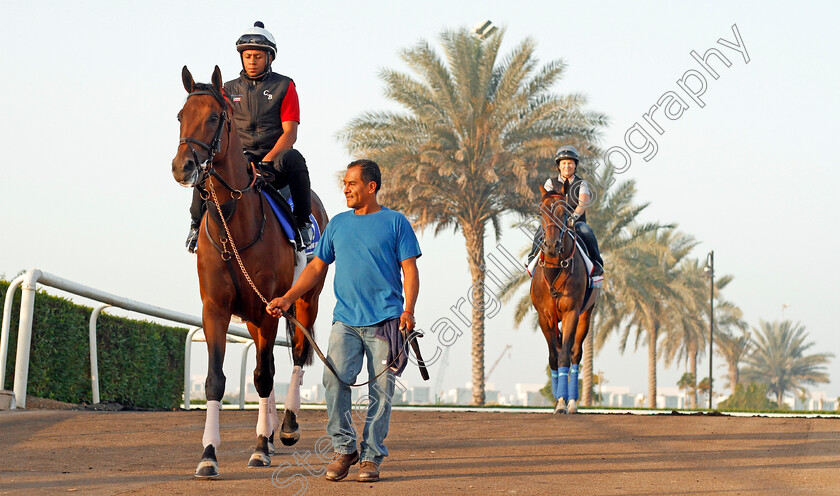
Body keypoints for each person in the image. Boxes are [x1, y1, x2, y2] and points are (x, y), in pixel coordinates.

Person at [266, 159, 421, 483]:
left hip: (386, 321)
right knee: (334, 382)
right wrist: (289, 297)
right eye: (345, 183)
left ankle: (372, 457)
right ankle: (344, 448)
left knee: (381, 392)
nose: (345, 188)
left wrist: (408, 310)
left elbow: (410, 270)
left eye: (352, 183)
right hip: (346, 321)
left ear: (371, 186)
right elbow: (316, 267)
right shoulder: (337, 224)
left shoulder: (395, 222)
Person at [186, 21, 313, 252]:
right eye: (247, 56)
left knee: (296, 159)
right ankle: (195, 227)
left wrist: (267, 161)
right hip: (241, 159)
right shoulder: (227, 89)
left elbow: (290, 133)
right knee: (205, 165)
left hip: (274, 159)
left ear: (269, 58)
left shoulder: (285, 86)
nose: (252, 60)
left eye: (257, 56)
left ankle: (303, 223)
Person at [527, 145, 604, 277]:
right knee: (540, 230)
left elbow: (583, 203)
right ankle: (532, 258)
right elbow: (547, 203)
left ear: (575, 166)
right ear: (559, 166)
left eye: (570, 163)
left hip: (575, 223)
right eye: (563, 163)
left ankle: (597, 262)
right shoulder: (550, 183)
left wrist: (573, 218)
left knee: (586, 231)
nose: (567, 166)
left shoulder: (581, 184)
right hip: (555, 222)